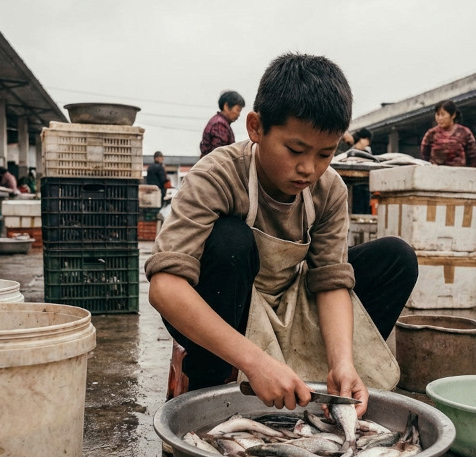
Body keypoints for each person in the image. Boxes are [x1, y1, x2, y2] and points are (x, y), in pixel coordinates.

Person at [147, 53, 417, 419]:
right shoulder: (218, 174)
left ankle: (328, 382)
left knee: (395, 259)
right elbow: (165, 287)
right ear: (256, 128)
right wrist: (255, 361)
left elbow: (331, 281)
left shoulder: (328, 189)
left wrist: (343, 361)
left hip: (290, 299)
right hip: (229, 301)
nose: (309, 168)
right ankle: (207, 394)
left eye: (325, 153)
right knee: (230, 241)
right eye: (295, 150)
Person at [420, 100, 476, 167]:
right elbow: (424, 155)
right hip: (436, 173)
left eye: (443, 114)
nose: (440, 118)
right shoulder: (431, 133)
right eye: (438, 114)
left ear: (453, 115)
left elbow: (472, 157)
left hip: (459, 173)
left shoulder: (465, 132)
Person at [200, 90, 245, 158]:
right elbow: (219, 154)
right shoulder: (220, 124)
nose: (238, 114)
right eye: (237, 110)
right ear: (226, 106)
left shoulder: (219, 121)